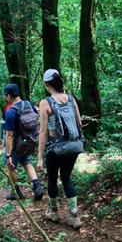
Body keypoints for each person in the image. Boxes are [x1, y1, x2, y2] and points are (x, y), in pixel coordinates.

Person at [37, 69, 83, 229]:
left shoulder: (45, 103)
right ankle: (74, 217)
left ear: (47, 84)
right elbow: (79, 123)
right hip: (74, 146)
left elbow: (43, 132)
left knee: (52, 179)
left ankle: (53, 212)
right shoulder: (71, 98)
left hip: (56, 148)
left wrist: (40, 157)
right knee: (66, 178)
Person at [3, 83, 43, 201]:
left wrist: (8, 154)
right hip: (30, 141)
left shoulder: (10, 112)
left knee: (10, 167)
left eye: (5, 96)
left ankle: (15, 192)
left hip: (17, 145)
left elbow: (9, 135)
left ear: (9, 96)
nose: (5, 98)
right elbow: (37, 120)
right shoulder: (29, 104)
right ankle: (37, 186)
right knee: (26, 162)